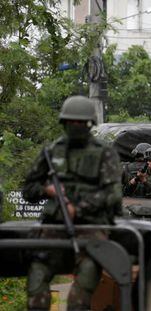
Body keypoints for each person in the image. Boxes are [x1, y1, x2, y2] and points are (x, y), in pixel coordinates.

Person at [22, 95, 123, 310]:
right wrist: (47, 191)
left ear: (89, 124)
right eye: (71, 122)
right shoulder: (51, 151)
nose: (75, 126)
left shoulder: (104, 153)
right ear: (64, 123)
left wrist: (78, 208)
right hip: (54, 228)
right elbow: (28, 190)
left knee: (80, 294)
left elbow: (112, 194)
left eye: (80, 122)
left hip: (91, 229)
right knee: (36, 280)